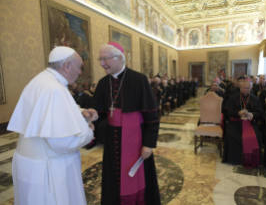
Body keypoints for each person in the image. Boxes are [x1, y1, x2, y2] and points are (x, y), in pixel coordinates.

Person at [7, 46, 98, 205]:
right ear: (67, 66)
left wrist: (81, 112)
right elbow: (63, 141)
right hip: (49, 169)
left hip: (31, 163)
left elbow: (50, 112)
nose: (80, 72)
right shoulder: (55, 88)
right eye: (79, 67)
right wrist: (89, 132)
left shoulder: (42, 80)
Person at [92, 42, 161, 204]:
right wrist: (89, 119)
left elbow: (152, 115)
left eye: (105, 59)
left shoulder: (139, 79)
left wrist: (148, 144)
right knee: (113, 178)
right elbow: (99, 113)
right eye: (100, 59)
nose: (102, 63)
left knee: (138, 177)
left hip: (137, 142)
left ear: (120, 58)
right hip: (112, 141)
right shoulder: (103, 83)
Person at [222, 79, 264, 168]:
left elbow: (260, 113)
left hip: (250, 122)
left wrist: (252, 114)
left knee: (256, 135)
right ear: (240, 87)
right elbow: (228, 111)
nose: (246, 90)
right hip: (235, 121)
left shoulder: (255, 99)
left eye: (248, 88)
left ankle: (250, 158)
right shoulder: (233, 97)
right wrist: (238, 113)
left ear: (251, 87)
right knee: (230, 134)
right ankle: (233, 159)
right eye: (244, 88)